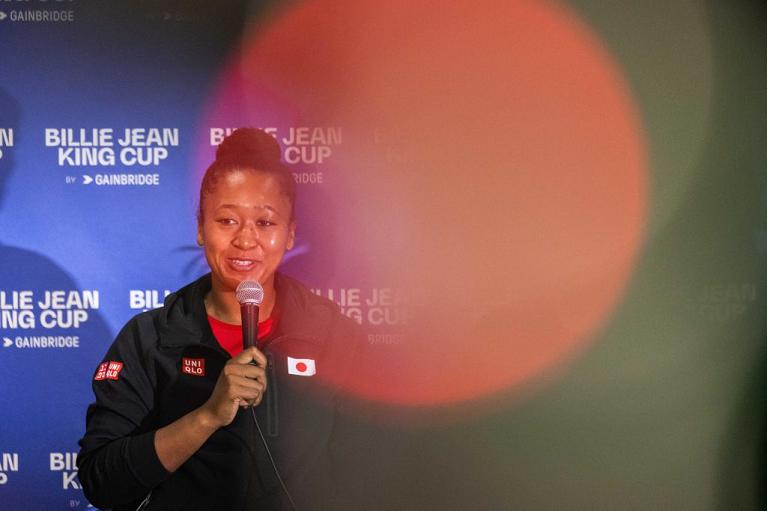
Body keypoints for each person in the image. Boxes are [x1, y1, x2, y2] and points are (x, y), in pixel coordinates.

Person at [77, 128, 363, 511]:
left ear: (290, 234)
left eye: (265, 223)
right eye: (227, 221)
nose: (246, 240)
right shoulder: (149, 340)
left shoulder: (332, 334)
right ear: (200, 228)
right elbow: (101, 481)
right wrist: (207, 416)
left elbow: (371, 470)